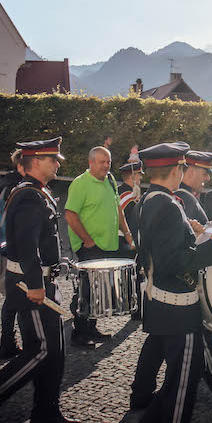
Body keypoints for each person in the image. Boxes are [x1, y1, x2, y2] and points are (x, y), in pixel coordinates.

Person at [0, 137, 80, 423]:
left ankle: (46, 413)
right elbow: (28, 247)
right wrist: (35, 285)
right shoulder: (30, 195)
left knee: (53, 352)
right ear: (36, 162)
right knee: (42, 350)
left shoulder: (36, 192)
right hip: (32, 285)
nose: (57, 163)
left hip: (40, 281)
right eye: (53, 159)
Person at [124, 142, 212, 423]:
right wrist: (211, 248)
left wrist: (192, 233)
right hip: (178, 308)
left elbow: (158, 249)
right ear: (177, 170)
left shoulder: (149, 200)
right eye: (184, 167)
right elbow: (172, 262)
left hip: (162, 303)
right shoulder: (168, 205)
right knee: (181, 386)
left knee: (176, 382)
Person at [64, 146, 133, 347]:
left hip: (108, 244)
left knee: (98, 289)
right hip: (89, 245)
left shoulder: (110, 180)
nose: (105, 166)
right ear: (91, 162)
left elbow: (118, 208)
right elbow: (70, 215)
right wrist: (87, 240)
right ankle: (78, 333)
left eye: (108, 162)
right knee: (87, 289)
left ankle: (90, 327)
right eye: (102, 162)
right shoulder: (80, 184)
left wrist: (127, 233)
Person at [0, 149, 25, 359]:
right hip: (15, 249)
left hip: (3, 245)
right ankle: (8, 342)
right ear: (22, 166)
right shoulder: (19, 187)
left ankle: (8, 340)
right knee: (14, 298)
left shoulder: (5, 182)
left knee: (11, 298)